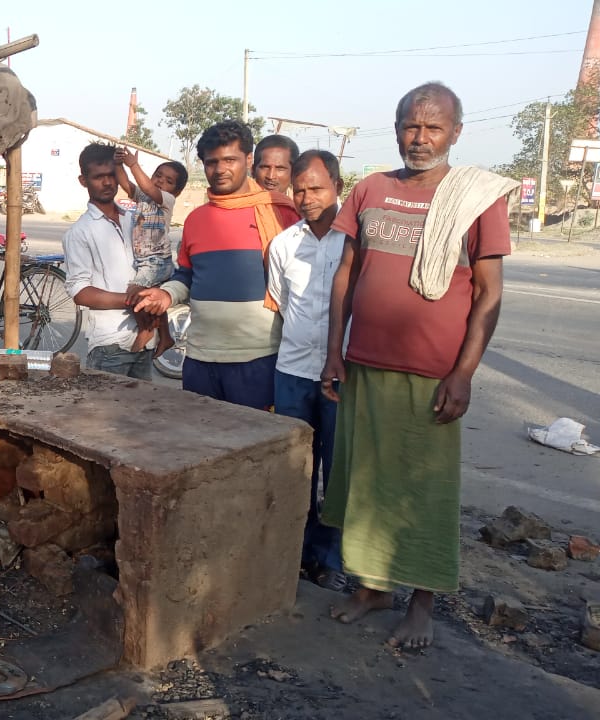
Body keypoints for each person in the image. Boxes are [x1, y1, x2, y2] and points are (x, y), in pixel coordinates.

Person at [321, 82, 514, 650]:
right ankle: (373, 588)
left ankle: (422, 601)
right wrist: (335, 351)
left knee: (423, 490)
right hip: (364, 365)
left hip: (433, 373)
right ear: (397, 125)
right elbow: (346, 276)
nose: (420, 137)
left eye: (434, 127)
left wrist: (464, 373)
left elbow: (488, 293)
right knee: (366, 483)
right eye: (411, 125)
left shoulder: (478, 198)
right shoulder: (372, 188)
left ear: (456, 132)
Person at [132, 120, 299, 409]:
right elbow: (187, 275)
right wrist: (167, 294)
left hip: (257, 359)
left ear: (248, 159)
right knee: (202, 445)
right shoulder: (196, 219)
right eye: (212, 162)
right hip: (199, 359)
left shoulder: (282, 215)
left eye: (230, 160)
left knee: (255, 446)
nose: (220, 169)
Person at [266, 149, 347, 591]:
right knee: (296, 470)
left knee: (336, 472)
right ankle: (291, 552)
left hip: (341, 377)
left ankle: (328, 559)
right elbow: (280, 300)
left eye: (315, 188)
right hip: (293, 371)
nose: (306, 197)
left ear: (337, 185)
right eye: (299, 189)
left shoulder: (356, 242)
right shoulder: (283, 245)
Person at [62, 143, 150, 378]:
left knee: (144, 413)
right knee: (107, 413)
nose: (108, 182)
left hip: (145, 342)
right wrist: (132, 301)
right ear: (84, 181)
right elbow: (80, 291)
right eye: (99, 177)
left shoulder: (135, 218)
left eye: (112, 175)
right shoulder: (80, 231)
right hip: (110, 344)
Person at [112, 147, 188, 355]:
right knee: (153, 301)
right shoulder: (144, 197)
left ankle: (146, 330)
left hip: (156, 261)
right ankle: (165, 337)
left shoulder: (166, 200)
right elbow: (126, 184)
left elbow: (149, 188)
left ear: (176, 191)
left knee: (134, 294)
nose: (161, 181)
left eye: (168, 181)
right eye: (158, 176)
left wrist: (134, 165)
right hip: (144, 260)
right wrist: (118, 164)